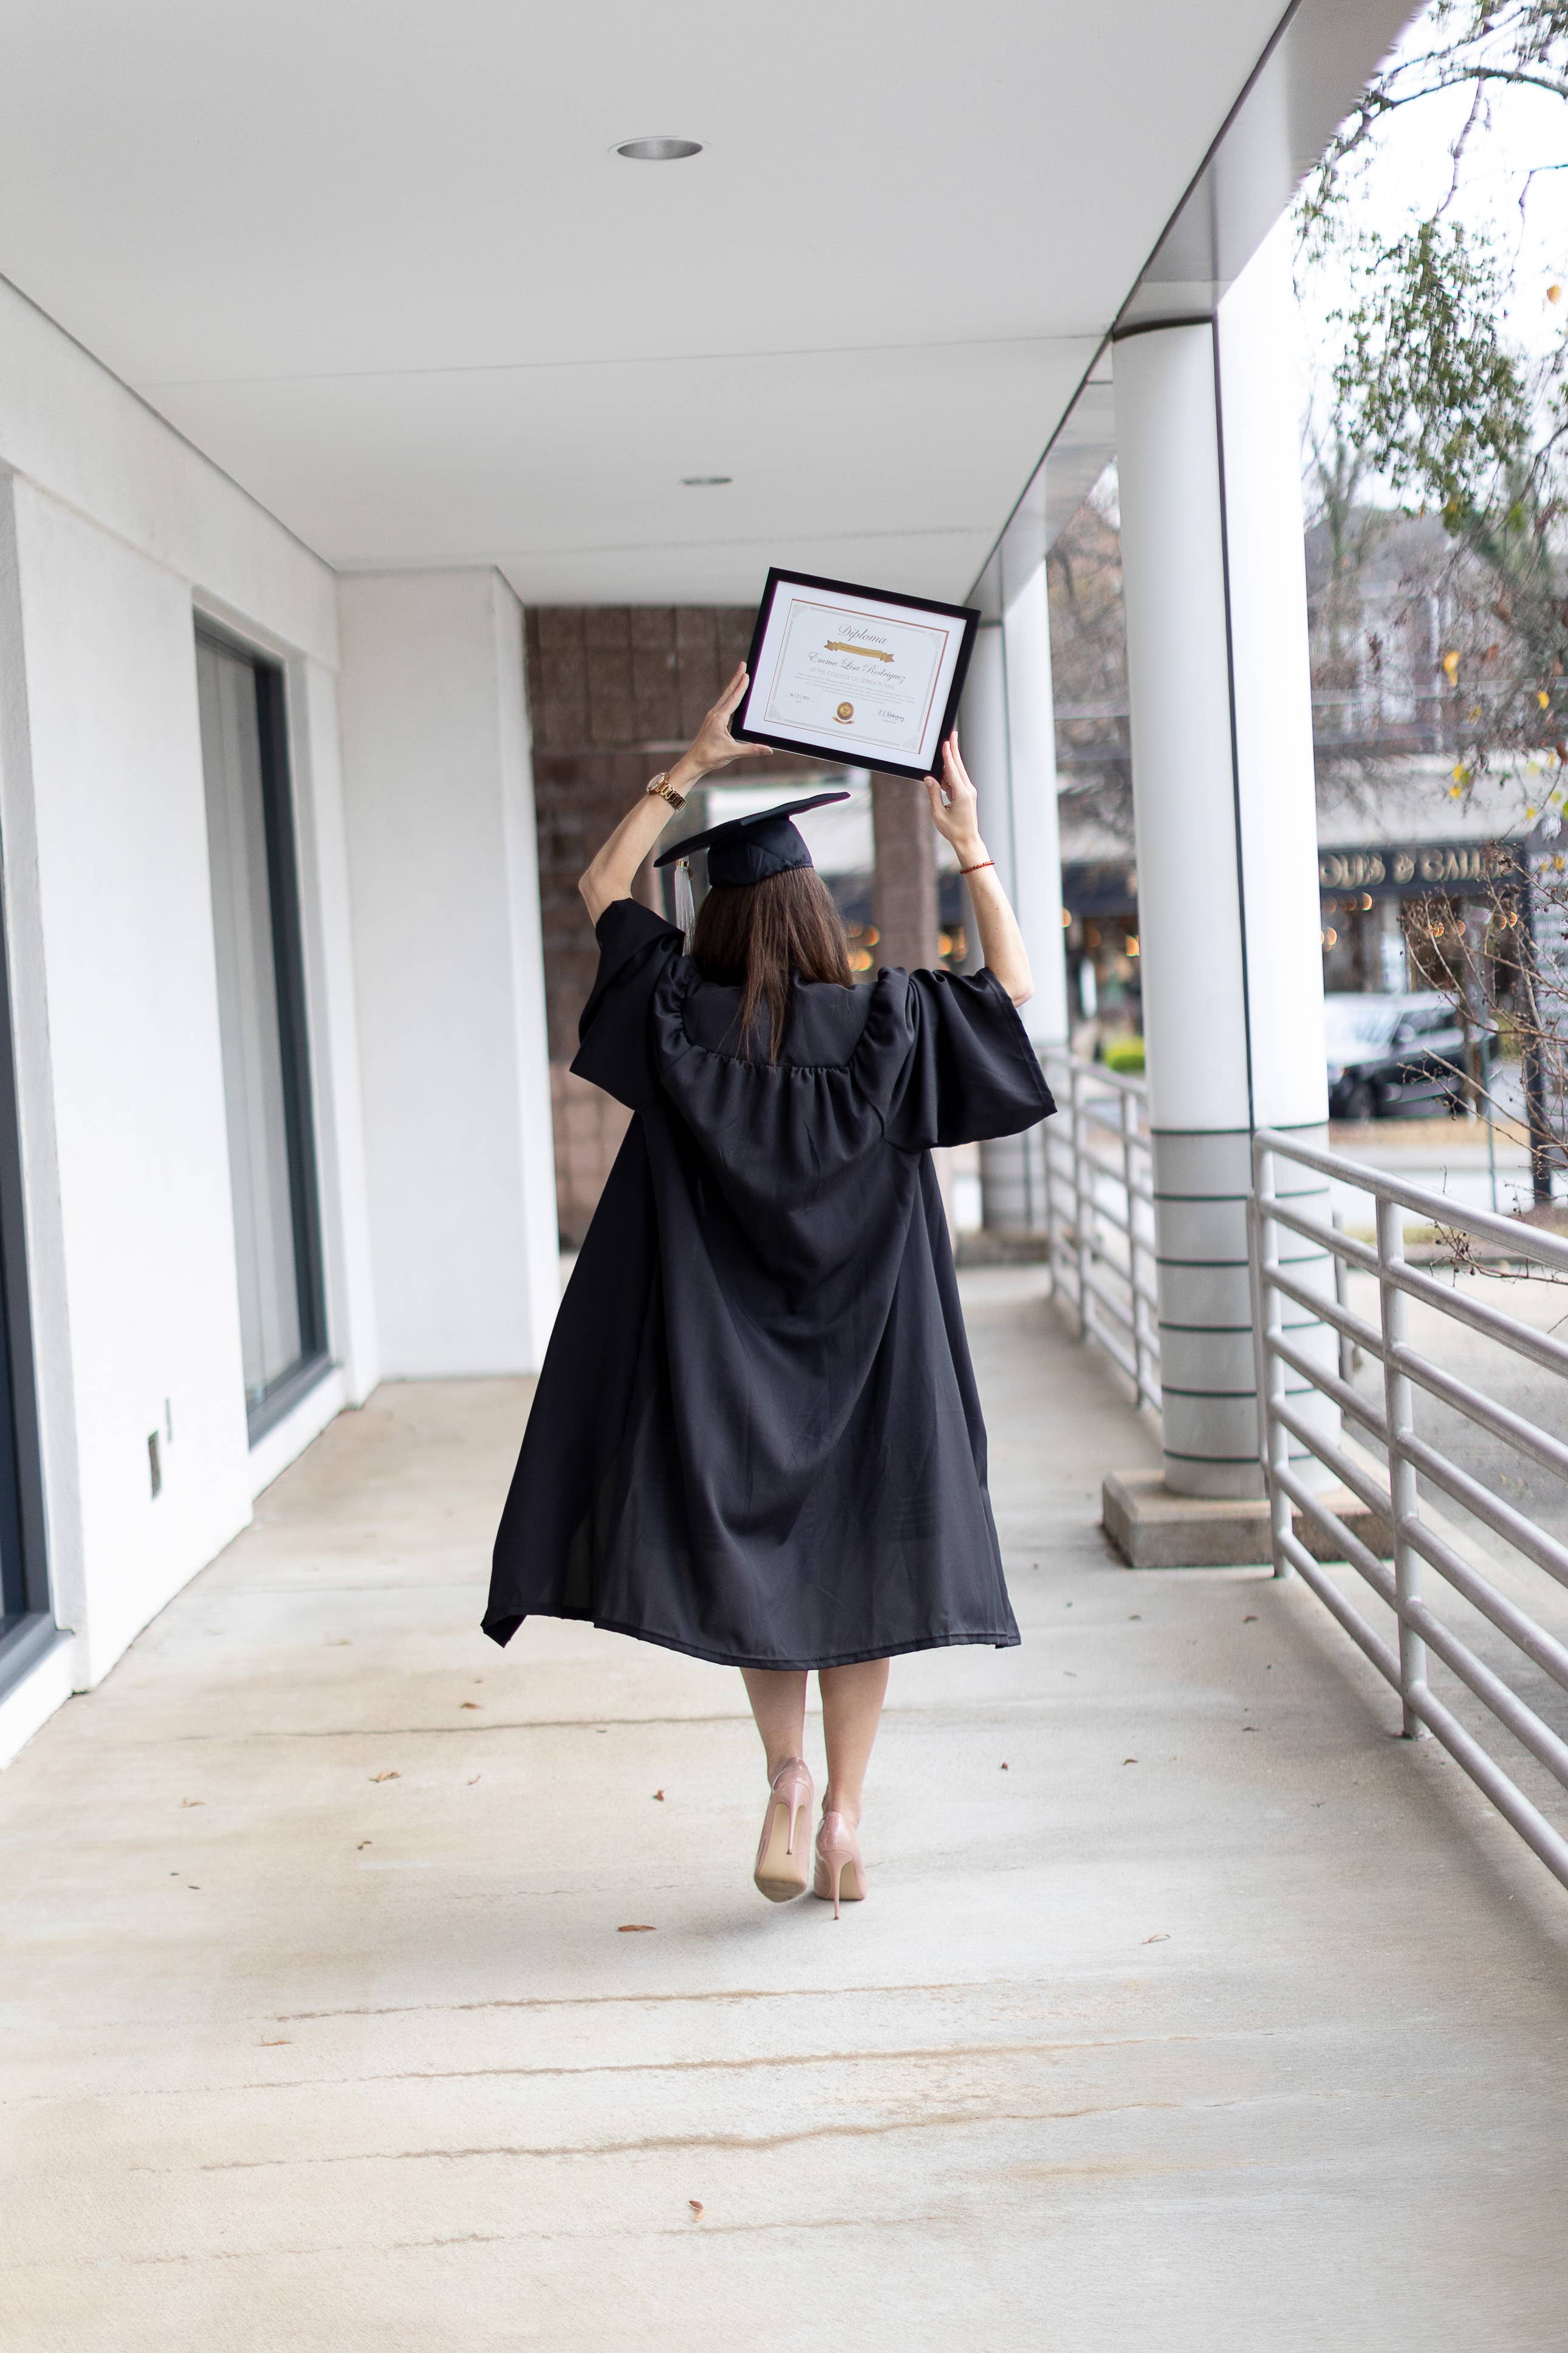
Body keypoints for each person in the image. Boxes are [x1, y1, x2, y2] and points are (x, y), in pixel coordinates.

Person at [484, 664, 1054, 1915]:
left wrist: (689, 764)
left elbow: (597, 889)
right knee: (866, 1577)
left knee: (761, 1570)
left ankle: (787, 1779)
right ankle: (848, 1812)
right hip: (875, 1364)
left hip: (726, 1377)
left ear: (716, 927)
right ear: (814, 918)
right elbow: (1013, 998)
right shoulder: (892, 1024)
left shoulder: (680, 1020)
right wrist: (968, 848)